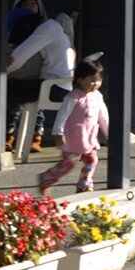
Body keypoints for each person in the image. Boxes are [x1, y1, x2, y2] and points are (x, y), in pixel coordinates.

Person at [6, 0, 74, 152]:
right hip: (57, 85)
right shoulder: (51, 27)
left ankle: (6, 137)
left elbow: (18, 58)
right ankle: (20, 136)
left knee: (4, 89)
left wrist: (2, 69)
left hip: (54, 88)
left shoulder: (46, 29)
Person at [36, 59, 106, 197]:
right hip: (74, 137)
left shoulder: (97, 96)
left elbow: (103, 115)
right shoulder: (73, 97)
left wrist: (109, 132)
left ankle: (84, 185)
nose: (96, 84)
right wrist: (58, 133)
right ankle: (46, 178)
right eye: (92, 80)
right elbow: (62, 116)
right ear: (80, 80)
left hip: (89, 136)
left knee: (92, 160)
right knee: (68, 164)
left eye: (98, 80)